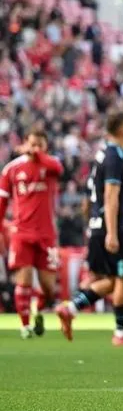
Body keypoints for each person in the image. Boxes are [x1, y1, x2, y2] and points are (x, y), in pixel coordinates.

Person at [57, 111, 123, 346]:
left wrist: (97, 225)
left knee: (108, 280)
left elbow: (89, 199)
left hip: (97, 224)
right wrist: (114, 231)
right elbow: (110, 194)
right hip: (108, 226)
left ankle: (72, 308)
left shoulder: (101, 154)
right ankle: (122, 333)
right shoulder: (115, 156)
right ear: (121, 129)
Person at [0, 129, 63, 339]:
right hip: (21, 232)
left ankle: (38, 310)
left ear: (45, 146)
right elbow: (2, 201)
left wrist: (37, 154)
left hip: (47, 235)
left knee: (49, 288)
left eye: (40, 144)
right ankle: (25, 325)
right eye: (32, 144)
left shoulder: (51, 164)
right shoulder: (12, 169)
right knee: (24, 280)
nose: (36, 148)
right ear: (26, 143)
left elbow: (58, 168)